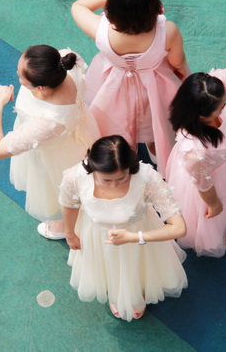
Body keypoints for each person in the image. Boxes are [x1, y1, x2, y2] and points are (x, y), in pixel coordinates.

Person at [71, 0, 190, 177]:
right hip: (154, 87)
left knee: (116, 123)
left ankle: (126, 156)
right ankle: (156, 153)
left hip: (112, 87)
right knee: (156, 122)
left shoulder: (101, 29)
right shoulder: (167, 31)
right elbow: (177, 61)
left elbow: (78, 6)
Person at [60, 135, 188, 321]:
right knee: (106, 268)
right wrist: (70, 233)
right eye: (106, 180)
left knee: (138, 268)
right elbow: (69, 206)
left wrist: (135, 237)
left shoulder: (147, 178)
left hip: (138, 235)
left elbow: (179, 227)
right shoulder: (75, 177)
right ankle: (117, 294)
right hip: (96, 236)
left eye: (121, 178)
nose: (114, 185)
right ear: (94, 168)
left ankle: (136, 291)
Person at [0, 45, 99, 239]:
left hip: (54, 154)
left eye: (20, 75)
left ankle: (67, 225)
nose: (17, 73)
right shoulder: (65, 59)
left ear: (40, 87)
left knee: (59, 190)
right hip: (77, 133)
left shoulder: (49, 121)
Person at [165, 67, 226, 257]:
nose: (224, 107)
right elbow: (204, 186)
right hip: (210, 176)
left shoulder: (208, 90)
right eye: (221, 107)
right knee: (215, 214)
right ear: (201, 116)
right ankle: (217, 235)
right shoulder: (194, 151)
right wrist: (214, 204)